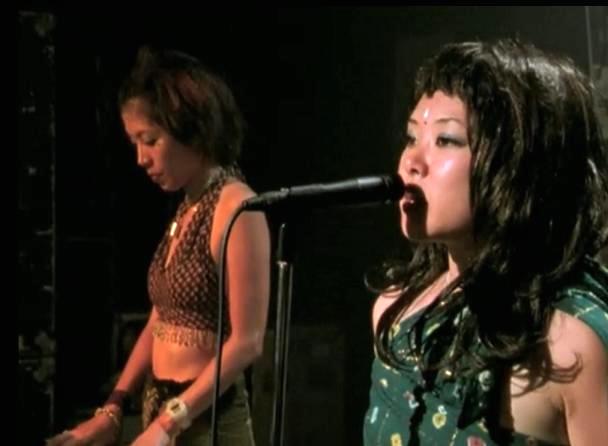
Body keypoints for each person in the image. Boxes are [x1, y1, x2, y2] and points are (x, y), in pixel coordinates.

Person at [363, 39, 608, 445]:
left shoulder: (571, 345)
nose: (412, 162)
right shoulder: (396, 315)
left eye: (446, 141)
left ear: (517, 163)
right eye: (411, 137)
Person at [47, 46, 270, 445]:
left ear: (191, 127)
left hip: (207, 423)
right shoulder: (187, 206)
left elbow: (248, 341)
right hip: (165, 413)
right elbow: (160, 318)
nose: (140, 158)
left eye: (149, 140)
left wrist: (172, 422)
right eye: (135, 142)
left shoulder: (239, 208)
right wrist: (112, 410)